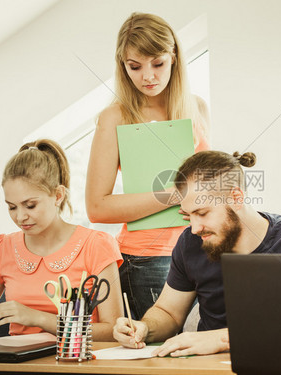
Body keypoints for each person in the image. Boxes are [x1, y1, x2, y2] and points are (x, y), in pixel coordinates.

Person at [113, 150, 281, 356]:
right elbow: (168, 313)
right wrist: (144, 328)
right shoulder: (191, 243)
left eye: (202, 213)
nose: (194, 228)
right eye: (188, 215)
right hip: (208, 368)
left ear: (236, 198)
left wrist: (221, 340)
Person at [0, 139, 123, 341]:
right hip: (19, 366)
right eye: (12, 207)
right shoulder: (3, 247)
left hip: (76, 365)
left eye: (30, 206)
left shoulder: (97, 244)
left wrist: (37, 318)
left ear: (58, 195)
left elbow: (112, 332)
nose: (20, 217)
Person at [85, 12, 210, 320]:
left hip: (202, 249)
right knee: (159, 359)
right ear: (122, 65)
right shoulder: (115, 117)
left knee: (204, 355)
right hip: (148, 261)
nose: (148, 76)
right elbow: (97, 207)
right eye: (135, 66)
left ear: (174, 58)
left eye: (158, 63)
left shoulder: (197, 108)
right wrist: (175, 195)